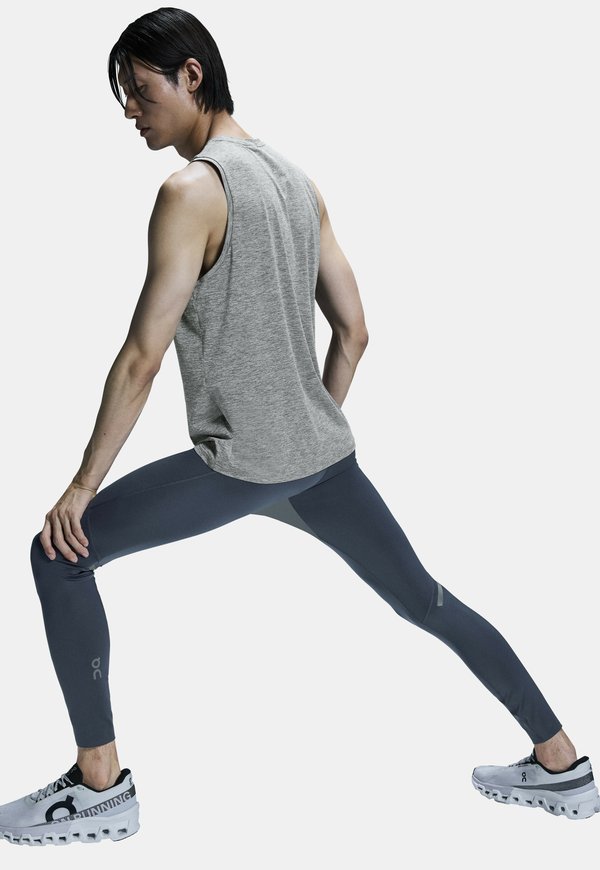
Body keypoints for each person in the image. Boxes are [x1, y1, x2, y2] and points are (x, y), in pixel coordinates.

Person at [1, 7, 598, 848]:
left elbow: (142, 356)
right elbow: (355, 331)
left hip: (243, 465)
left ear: (191, 76)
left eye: (138, 90)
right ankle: (563, 763)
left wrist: (81, 487)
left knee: (57, 555)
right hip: (322, 459)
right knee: (426, 600)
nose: (130, 111)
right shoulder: (295, 179)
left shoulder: (189, 191)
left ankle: (100, 788)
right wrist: (302, 434)